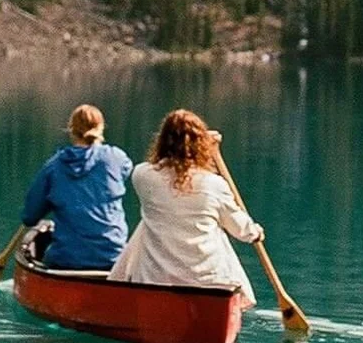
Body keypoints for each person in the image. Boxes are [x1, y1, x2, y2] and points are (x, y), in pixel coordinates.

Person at [108, 108, 263, 295]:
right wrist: (255, 232)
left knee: (149, 221)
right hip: (207, 283)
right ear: (200, 145)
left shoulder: (142, 175)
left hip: (154, 280)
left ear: (162, 141)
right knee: (217, 230)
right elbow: (239, 228)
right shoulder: (213, 184)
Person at [20, 103, 133, 271]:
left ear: (71, 130)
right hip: (113, 258)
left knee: (42, 246)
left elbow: (29, 217)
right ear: (100, 128)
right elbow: (125, 172)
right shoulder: (116, 158)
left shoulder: (53, 167)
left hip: (66, 260)